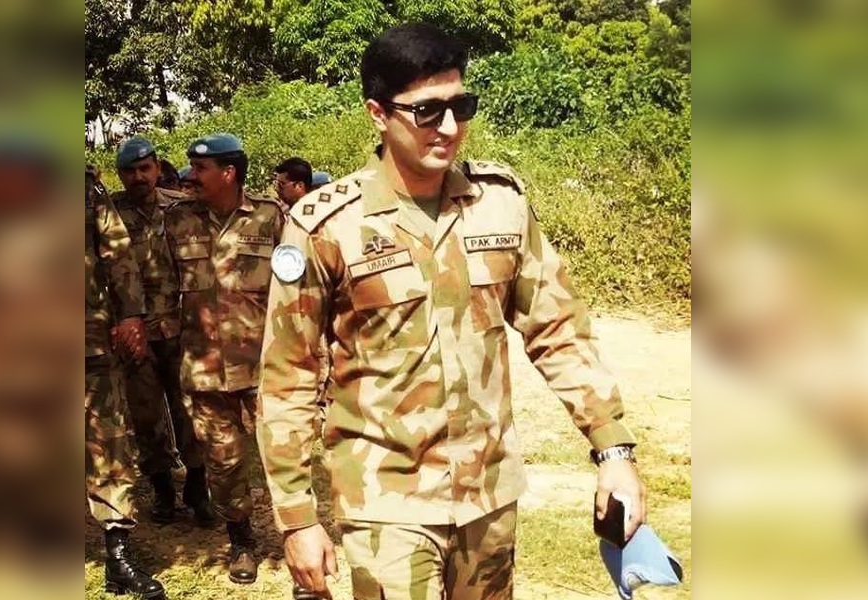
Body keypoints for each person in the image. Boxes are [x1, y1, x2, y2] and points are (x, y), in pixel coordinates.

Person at [256, 23, 648, 600]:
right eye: (427, 111)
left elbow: (559, 328)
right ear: (377, 113)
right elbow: (287, 377)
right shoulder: (326, 226)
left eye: (460, 107)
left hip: (488, 495)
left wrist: (612, 449)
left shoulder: (500, 204)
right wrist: (297, 518)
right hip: (385, 500)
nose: (448, 127)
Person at [166, 133, 286, 584]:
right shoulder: (177, 220)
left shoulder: (271, 217)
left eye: (201, 169)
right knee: (223, 461)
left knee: (282, 453)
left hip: (265, 366)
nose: (191, 176)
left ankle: (298, 535)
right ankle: (241, 540)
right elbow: (162, 286)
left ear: (229, 172)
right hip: (204, 369)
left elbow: (296, 286)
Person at [111, 137, 214, 526]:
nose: (139, 177)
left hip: (180, 326)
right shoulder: (109, 214)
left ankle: (198, 487)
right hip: (133, 331)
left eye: (145, 168)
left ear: (156, 168)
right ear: (120, 174)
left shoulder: (182, 207)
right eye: (130, 171)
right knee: (146, 414)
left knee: (190, 411)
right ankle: (163, 490)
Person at [85, 164, 166, 599]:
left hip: (87, 339)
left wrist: (131, 314)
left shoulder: (84, 186)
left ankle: (118, 557)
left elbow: (117, 251)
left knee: (109, 443)